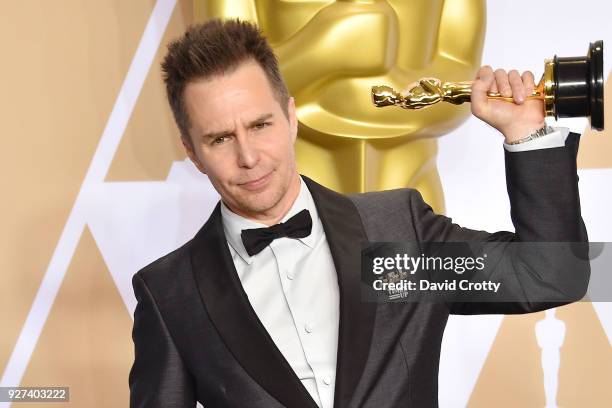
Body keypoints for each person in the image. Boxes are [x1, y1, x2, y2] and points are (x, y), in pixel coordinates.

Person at [128, 19, 589, 408]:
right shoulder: (171, 294)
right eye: (220, 139)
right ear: (192, 152)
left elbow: (552, 275)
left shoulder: (397, 231)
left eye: (260, 125)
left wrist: (529, 135)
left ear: (290, 118)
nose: (248, 157)